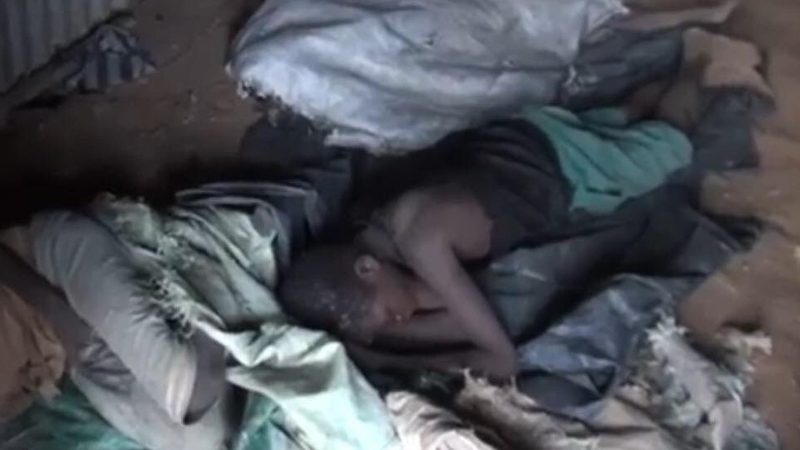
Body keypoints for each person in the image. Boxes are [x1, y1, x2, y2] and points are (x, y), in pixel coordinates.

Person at [278, 89, 695, 380]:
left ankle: (701, 64)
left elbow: (499, 358)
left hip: (567, 166)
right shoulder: (373, 229)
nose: (400, 319)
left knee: (671, 144)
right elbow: (460, 317)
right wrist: (383, 330)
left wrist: (384, 358)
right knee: (623, 117)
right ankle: (653, 89)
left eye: (389, 314)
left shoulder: (424, 244)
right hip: (523, 136)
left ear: (368, 268)